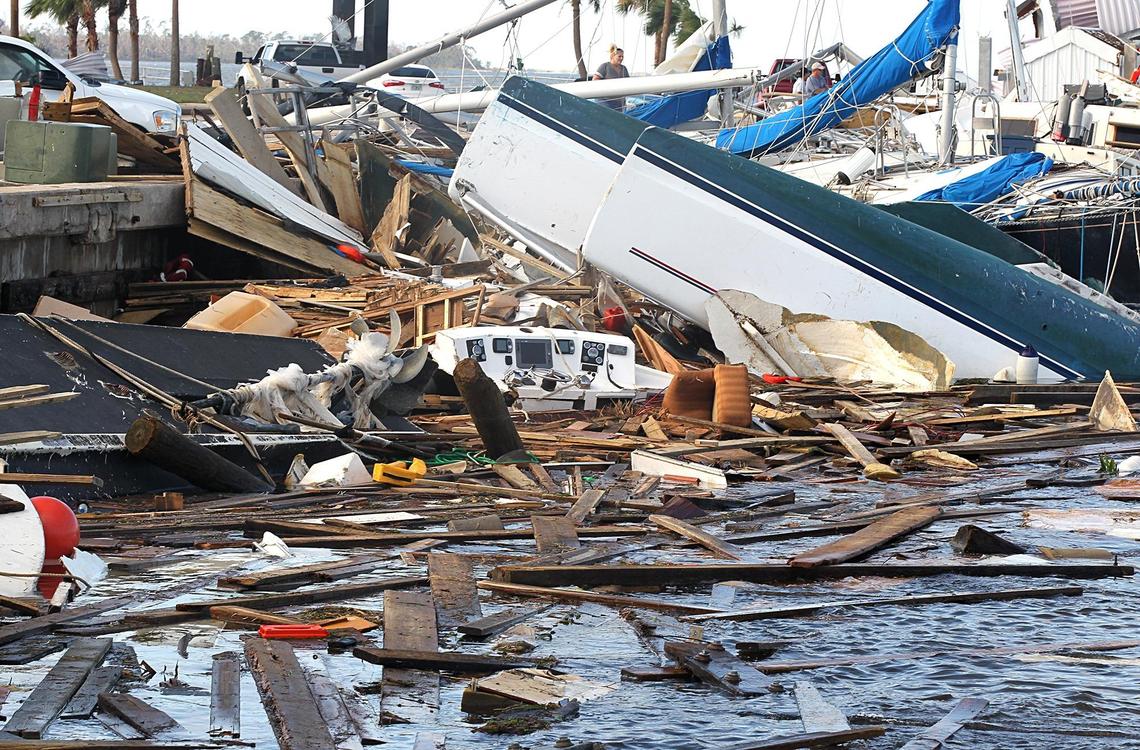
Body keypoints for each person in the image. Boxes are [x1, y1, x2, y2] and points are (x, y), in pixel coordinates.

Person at [593, 44, 630, 110]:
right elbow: (595, 80)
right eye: (619, 56)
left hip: (619, 104)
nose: (621, 58)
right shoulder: (604, 66)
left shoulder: (624, 69)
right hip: (604, 103)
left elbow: (628, 82)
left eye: (622, 56)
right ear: (613, 56)